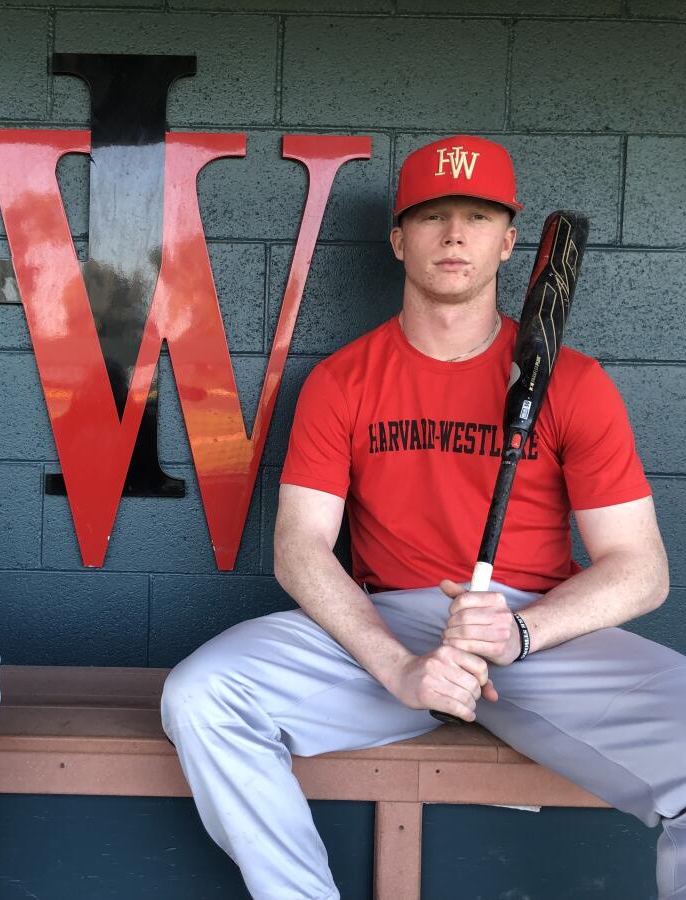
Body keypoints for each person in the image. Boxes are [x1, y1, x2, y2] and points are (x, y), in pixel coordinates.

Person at [161, 135, 685, 899]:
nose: (453, 235)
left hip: (537, 633)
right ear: (399, 239)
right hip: (386, 629)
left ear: (508, 243)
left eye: (476, 216)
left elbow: (641, 570)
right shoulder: (343, 380)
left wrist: (520, 631)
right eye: (433, 216)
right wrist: (399, 666)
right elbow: (300, 550)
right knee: (202, 694)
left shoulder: (571, 383)